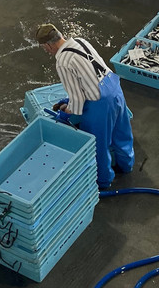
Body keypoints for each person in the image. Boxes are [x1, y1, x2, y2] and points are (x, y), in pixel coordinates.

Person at [36, 24, 134, 189]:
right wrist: (70, 100)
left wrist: (66, 112)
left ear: (48, 45)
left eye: (45, 49)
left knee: (98, 145)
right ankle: (126, 165)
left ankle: (103, 181)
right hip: (115, 89)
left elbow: (77, 100)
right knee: (121, 131)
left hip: (100, 104)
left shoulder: (62, 61)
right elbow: (91, 73)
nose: (47, 52)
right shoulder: (80, 41)